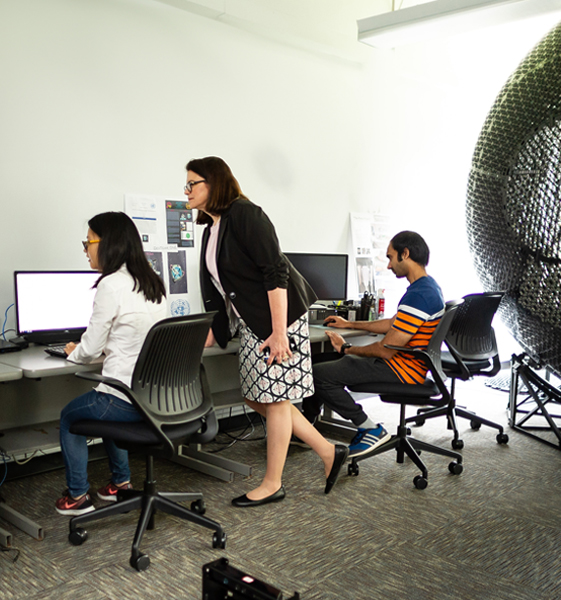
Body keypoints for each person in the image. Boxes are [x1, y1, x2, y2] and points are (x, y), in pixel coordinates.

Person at [186, 156, 348, 508]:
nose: (186, 191)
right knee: (254, 395)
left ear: (213, 184)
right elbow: (217, 289)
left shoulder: (246, 214)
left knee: (275, 401)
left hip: (279, 320)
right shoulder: (211, 229)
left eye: (192, 184)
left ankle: (273, 483)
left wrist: (279, 332)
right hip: (252, 324)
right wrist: (215, 329)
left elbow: (276, 273)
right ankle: (327, 449)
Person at [55, 212, 169, 516]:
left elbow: (90, 349)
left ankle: (77, 496)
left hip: (126, 398)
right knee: (105, 404)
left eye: (88, 241)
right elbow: (135, 336)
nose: (85, 249)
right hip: (154, 397)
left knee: (70, 417)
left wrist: (72, 352)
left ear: (107, 243)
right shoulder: (153, 283)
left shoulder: (111, 285)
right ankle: (120, 483)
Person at [307, 231, 445, 459]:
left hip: (400, 369)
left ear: (405, 254)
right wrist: (349, 324)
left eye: (391, 258)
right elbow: (392, 323)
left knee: (315, 375)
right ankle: (304, 428)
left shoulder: (419, 295)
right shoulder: (428, 287)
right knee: (320, 361)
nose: (389, 266)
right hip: (408, 364)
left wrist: (346, 348)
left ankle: (369, 428)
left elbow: (385, 350)